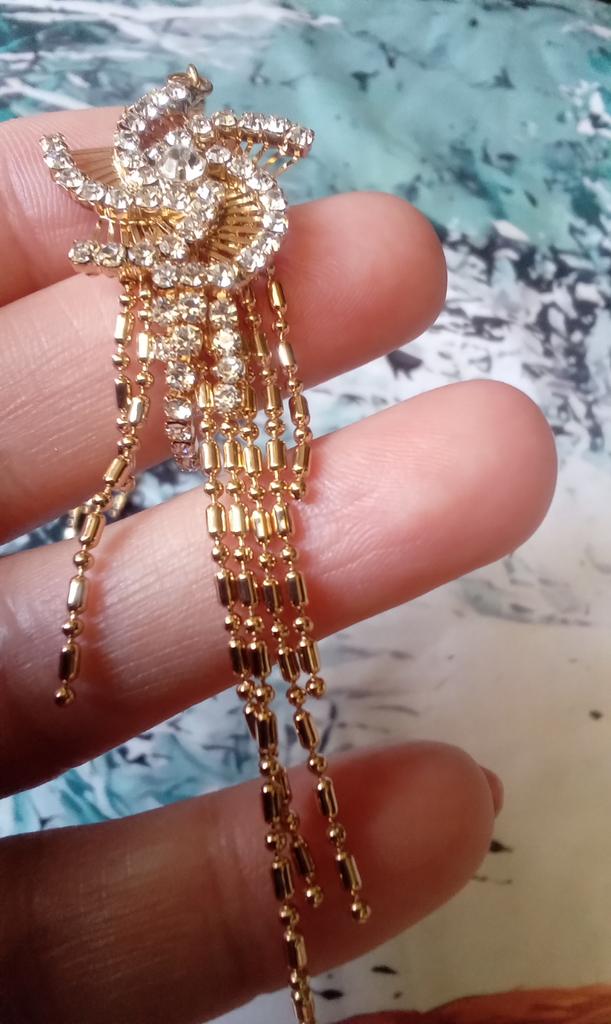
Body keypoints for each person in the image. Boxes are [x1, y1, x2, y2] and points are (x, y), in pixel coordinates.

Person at [0, 104, 557, 1024]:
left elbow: (277, 147)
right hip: (205, 338)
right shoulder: (164, 224)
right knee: (245, 570)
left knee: (267, 580)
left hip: (228, 333)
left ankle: (308, 847)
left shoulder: (223, 218)